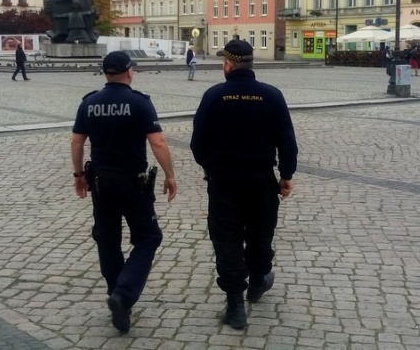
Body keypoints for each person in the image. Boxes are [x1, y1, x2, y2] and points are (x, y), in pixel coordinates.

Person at [190, 39, 298, 330]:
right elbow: (287, 143)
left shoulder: (213, 96)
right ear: (250, 63)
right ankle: (259, 280)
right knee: (260, 236)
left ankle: (236, 306)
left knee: (227, 241)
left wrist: (209, 168)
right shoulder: (272, 96)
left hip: (224, 182)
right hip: (260, 181)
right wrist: (286, 177)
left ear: (228, 64)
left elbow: (197, 143)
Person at [70, 50, 177, 334]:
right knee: (148, 237)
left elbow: (77, 142)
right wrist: (170, 175)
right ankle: (124, 294)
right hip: (133, 183)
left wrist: (79, 175)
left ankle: (117, 294)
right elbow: (158, 142)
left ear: (105, 73)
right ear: (129, 71)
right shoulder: (139, 103)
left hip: (101, 183)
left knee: (107, 239)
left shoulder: (89, 103)